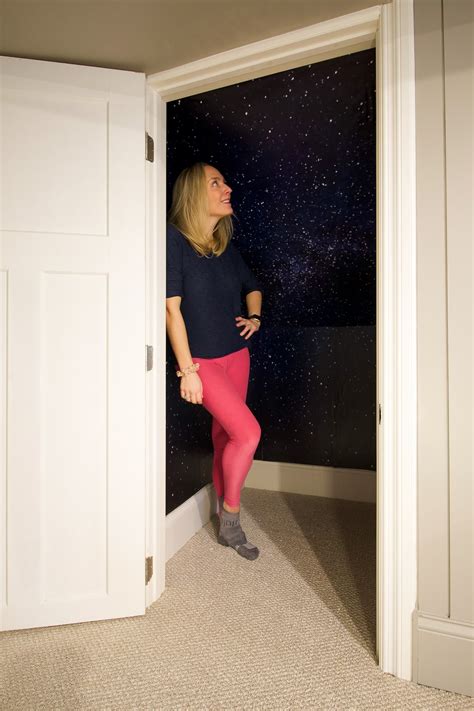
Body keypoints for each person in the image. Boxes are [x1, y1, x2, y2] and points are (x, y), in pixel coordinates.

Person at [166, 162, 263, 561]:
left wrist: (254, 317)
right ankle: (232, 520)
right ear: (194, 193)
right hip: (203, 362)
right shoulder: (174, 240)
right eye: (216, 183)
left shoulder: (224, 247)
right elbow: (171, 309)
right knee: (248, 434)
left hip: (237, 355)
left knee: (227, 437)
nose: (227, 188)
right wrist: (187, 370)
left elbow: (252, 286)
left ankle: (225, 513)